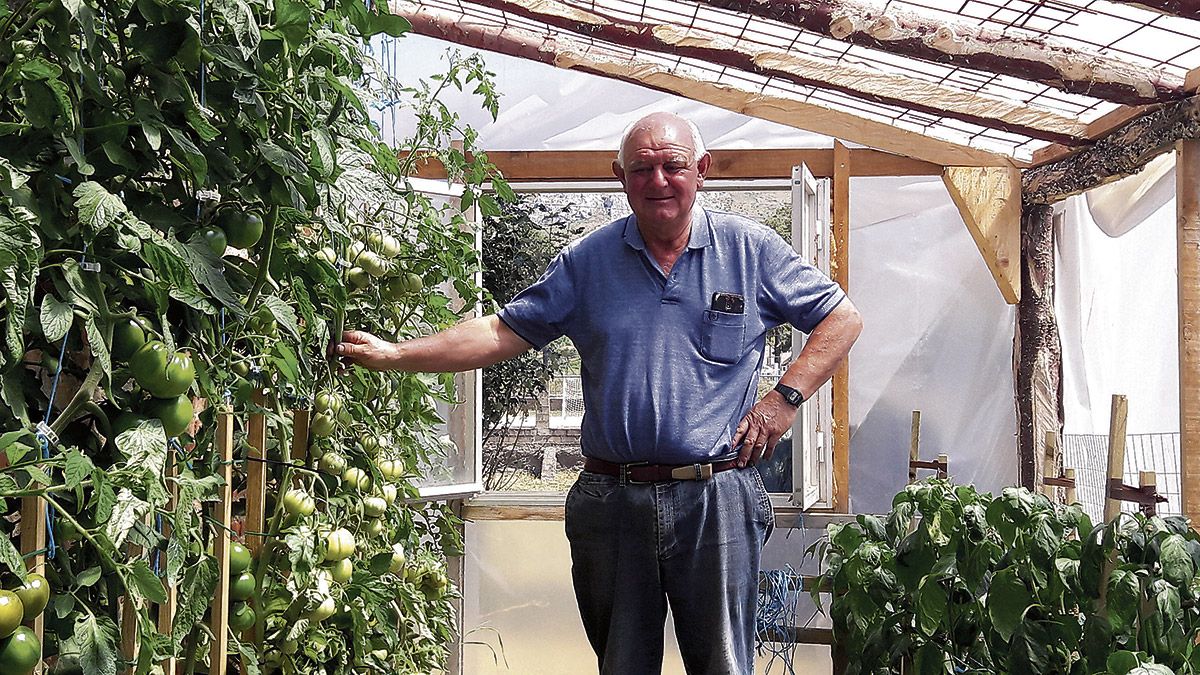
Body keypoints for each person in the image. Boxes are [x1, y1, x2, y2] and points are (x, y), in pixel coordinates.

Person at [336, 112, 862, 675]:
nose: (658, 180)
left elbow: (841, 319)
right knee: (621, 664)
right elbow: (500, 332)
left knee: (723, 665)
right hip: (614, 498)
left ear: (702, 170)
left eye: (673, 165)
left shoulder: (751, 251)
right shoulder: (589, 262)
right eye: (641, 169)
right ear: (620, 177)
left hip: (717, 496)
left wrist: (784, 398)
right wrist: (396, 355)